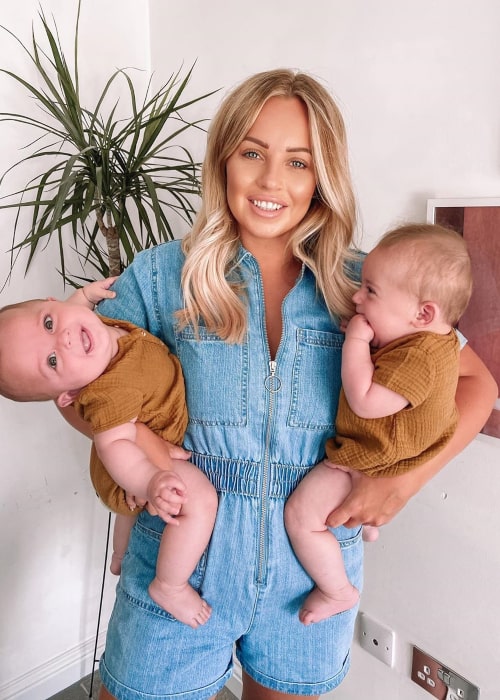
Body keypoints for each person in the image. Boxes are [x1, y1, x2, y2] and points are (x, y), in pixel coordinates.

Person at [59, 69, 496, 700]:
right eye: (253, 153)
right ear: (224, 159)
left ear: (323, 175)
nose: (271, 182)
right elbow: (79, 392)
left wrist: (402, 481)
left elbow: (475, 383)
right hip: (179, 558)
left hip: (309, 571)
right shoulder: (160, 276)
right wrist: (146, 458)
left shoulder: (366, 283)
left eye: (298, 161)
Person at [0, 280, 218, 629]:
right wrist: (151, 480)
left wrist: (83, 297)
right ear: (68, 395)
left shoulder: (87, 328)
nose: (64, 340)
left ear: (54, 302)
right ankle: (169, 586)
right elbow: (115, 447)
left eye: (48, 323)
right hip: (133, 465)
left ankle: (119, 554)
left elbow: (70, 317)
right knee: (201, 500)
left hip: (132, 457)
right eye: (53, 360)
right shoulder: (107, 396)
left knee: (126, 513)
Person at [284, 223, 473, 626]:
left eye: (370, 291)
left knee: (301, 516)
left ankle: (337, 590)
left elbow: (365, 400)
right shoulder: (426, 339)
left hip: (368, 463)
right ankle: (368, 529)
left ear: (423, 313)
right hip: (388, 453)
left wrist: (354, 342)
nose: (356, 296)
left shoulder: (419, 357)